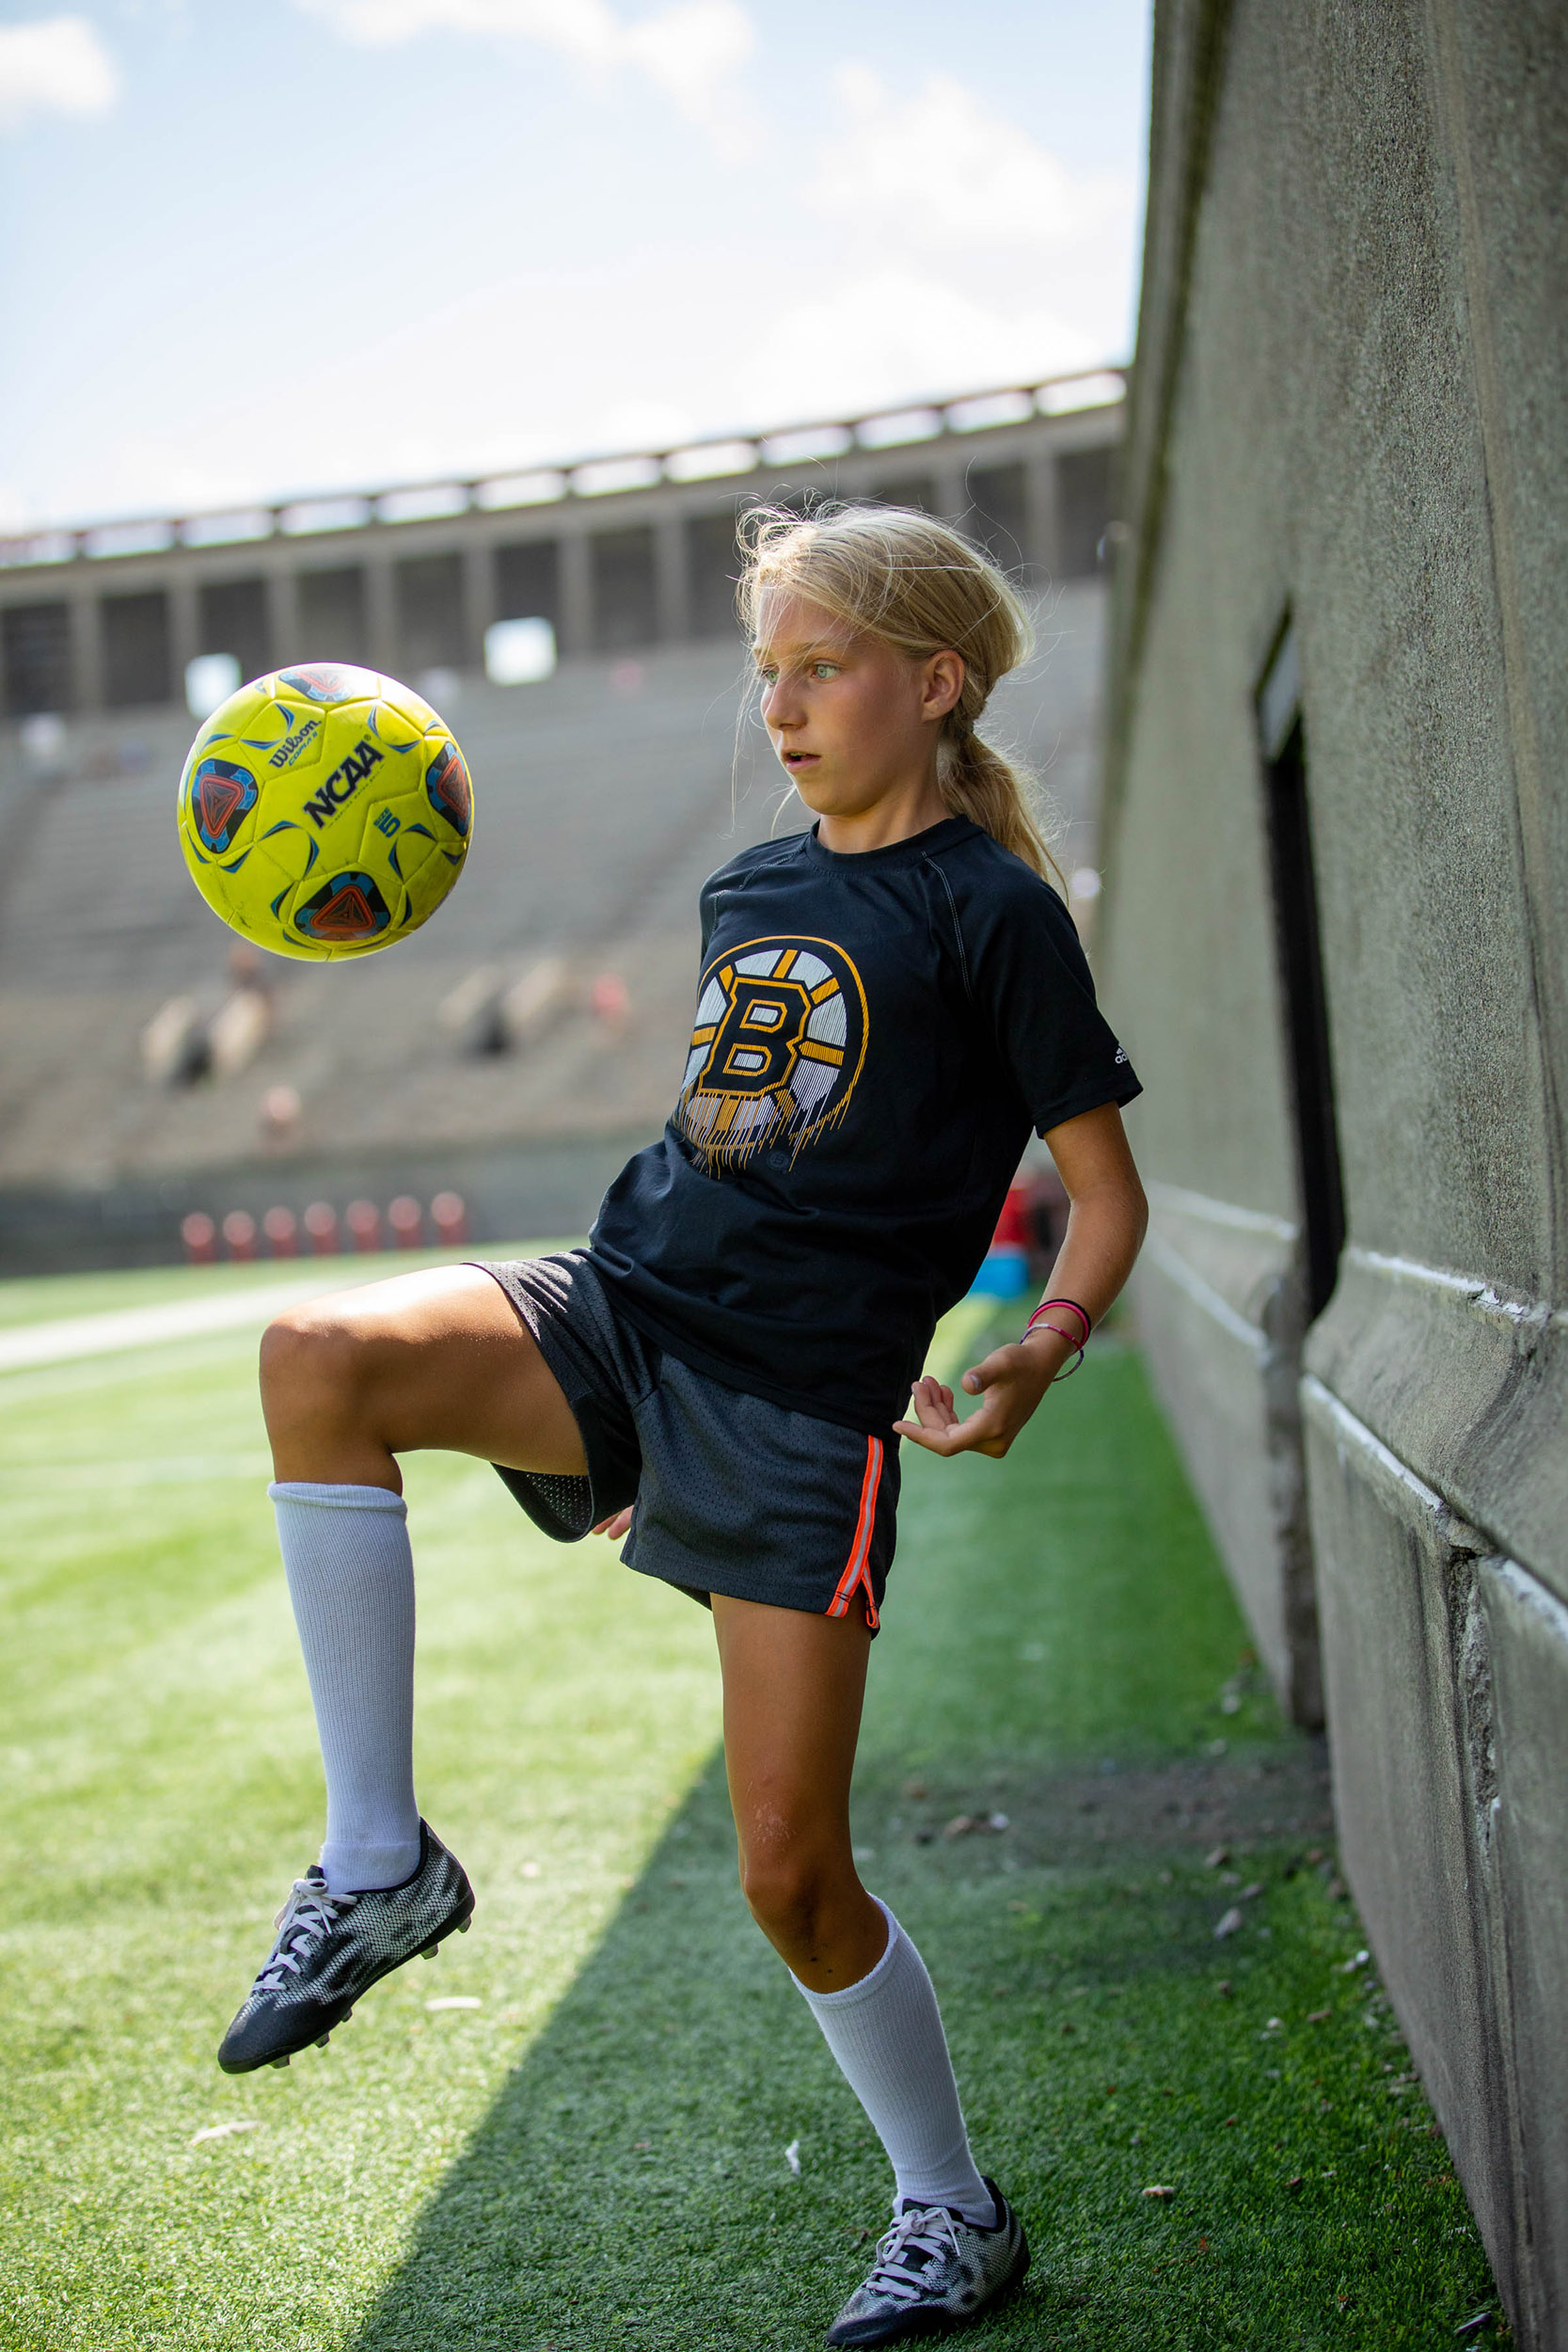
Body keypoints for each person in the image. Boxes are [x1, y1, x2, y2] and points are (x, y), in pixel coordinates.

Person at [218, 503, 1148, 2347]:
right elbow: (738, 1136)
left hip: (805, 1405)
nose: (784, 707)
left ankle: (954, 2213)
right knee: (317, 1347)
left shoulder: (996, 912)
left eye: (820, 669)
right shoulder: (752, 885)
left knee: (791, 1872)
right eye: (769, 673)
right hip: (628, 1305)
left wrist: (1040, 1340)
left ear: (931, 680)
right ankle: (382, 1859)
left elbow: (1104, 1191)